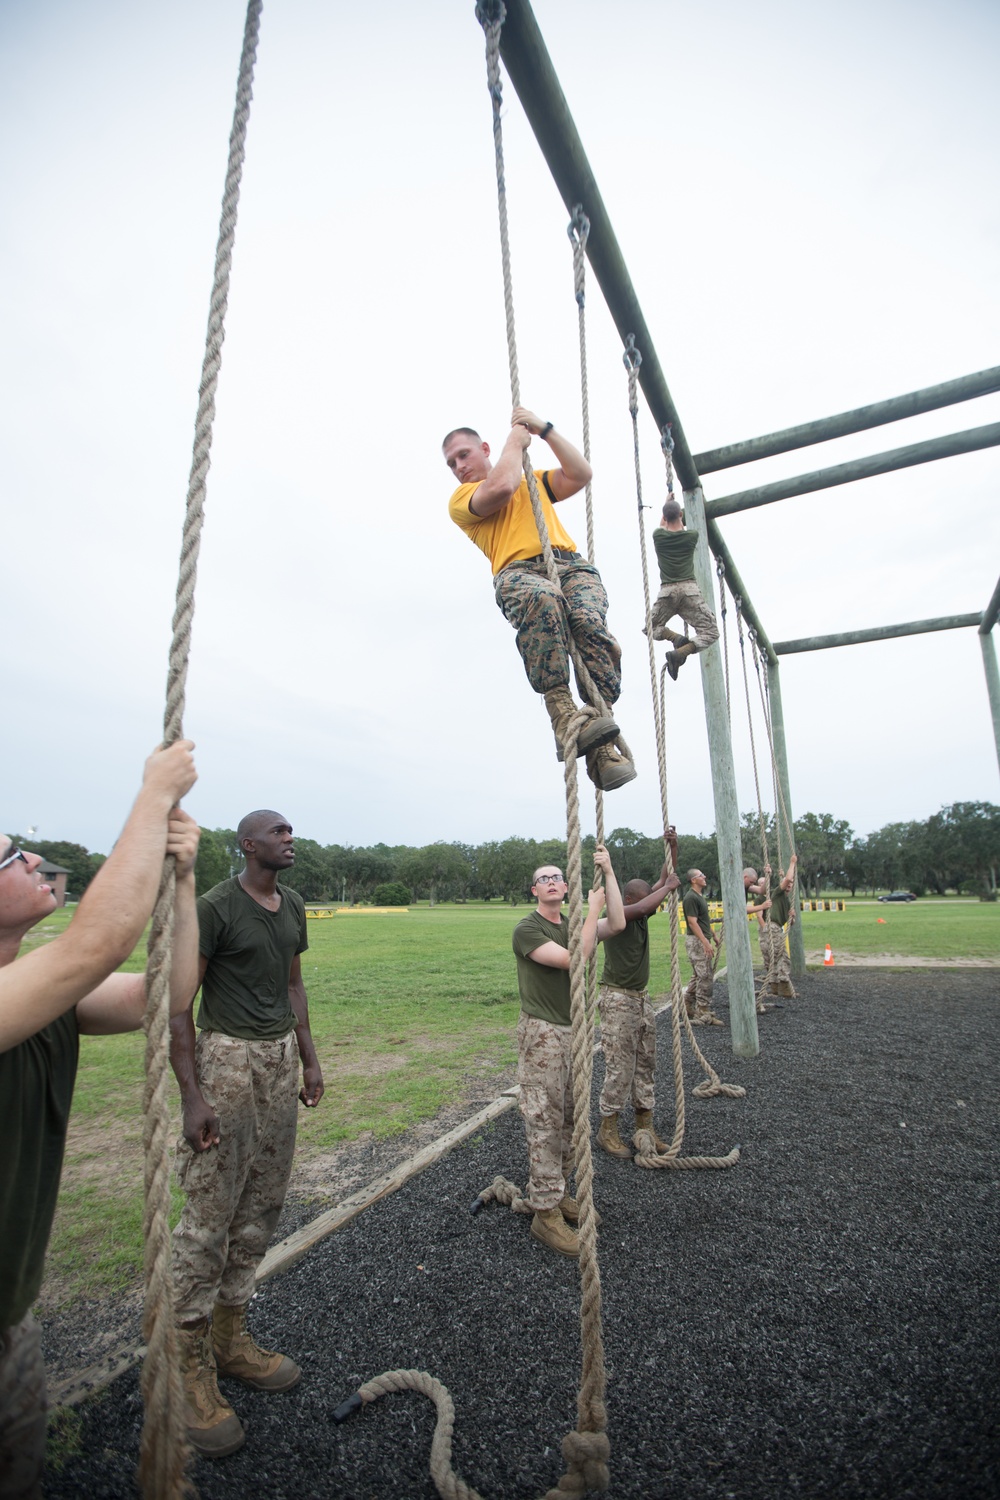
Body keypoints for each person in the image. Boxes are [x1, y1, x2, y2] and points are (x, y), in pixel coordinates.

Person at [0, 741, 199, 1500]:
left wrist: (179, 882)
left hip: (13, 1322)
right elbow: (91, 949)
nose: (33, 862)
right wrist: (152, 798)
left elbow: (167, 992)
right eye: (12, 858)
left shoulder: (36, 993)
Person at [169, 810, 325, 1459]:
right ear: (249, 844)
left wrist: (310, 1056)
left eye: (292, 831)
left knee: (262, 1205)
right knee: (210, 1212)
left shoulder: (290, 904)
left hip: (276, 1059)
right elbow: (179, 1001)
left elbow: (293, 985)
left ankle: (230, 1339)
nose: (290, 839)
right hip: (227, 1061)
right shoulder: (215, 906)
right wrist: (192, 1094)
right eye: (279, 832)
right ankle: (186, 1365)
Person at [444, 408, 635, 791]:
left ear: (484, 449)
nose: (458, 466)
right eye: (451, 463)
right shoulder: (463, 499)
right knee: (544, 600)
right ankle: (563, 714)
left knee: (589, 624)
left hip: (570, 566)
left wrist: (544, 430)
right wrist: (515, 440)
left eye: (464, 455)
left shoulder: (532, 482)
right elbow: (500, 488)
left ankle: (601, 743)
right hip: (519, 574)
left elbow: (580, 474)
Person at [512, 849, 624, 1256]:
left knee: (572, 1118)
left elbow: (619, 920)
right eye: (545, 878)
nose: (554, 881)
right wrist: (591, 911)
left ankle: (556, 1193)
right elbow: (576, 958)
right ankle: (544, 1214)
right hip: (543, 1035)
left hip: (574, 1031)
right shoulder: (528, 929)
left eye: (558, 876)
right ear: (535, 890)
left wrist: (608, 873)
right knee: (545, 1117)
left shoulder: (575, 923)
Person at [594, 830, 681, 1161]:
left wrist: (673, 847)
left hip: (640, 999)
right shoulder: (621, 915)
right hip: (618, 1001)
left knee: (646, 1062)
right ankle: (608, 1130)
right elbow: (652, 898)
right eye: (643, 900)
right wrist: (667, 888)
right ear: (629, 901)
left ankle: (645, 1127)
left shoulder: (642, 910)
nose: (650, 906)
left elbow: (661, 883)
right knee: (620, 1067)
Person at [649, 499, 720, 681]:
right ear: (681, 515)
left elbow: (662, 526)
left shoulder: (658, 536)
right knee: (711, 632)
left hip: (668, 592)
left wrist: (665, 503)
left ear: (664, 517)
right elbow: (675, 525)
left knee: (650, 627)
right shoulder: (692, 536)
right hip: (689, 591)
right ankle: (682, 652)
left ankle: (675, 638)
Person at [681, 869, 723, 1025]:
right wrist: (705, 942)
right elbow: (692, 922)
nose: (704, 877)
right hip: (697, 941)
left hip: (702, 939)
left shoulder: (699, 897)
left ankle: (687, 1004)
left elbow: (703, 920)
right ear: (693, 880)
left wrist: (714, 935)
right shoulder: (691, 898)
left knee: (698, 975)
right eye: (701, 876)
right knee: (705, 976)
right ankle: (703, 1011)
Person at [756, 854, 798, 999]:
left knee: (773, 957)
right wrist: (792, 863)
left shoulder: (786, 901)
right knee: (783, 957)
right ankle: (784, 984)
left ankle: (774, 986)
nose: (789, 886)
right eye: (788, 884)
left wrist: (792, 917)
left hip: (777, 927)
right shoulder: (777, 893)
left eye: (791, 885)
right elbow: (787, 879)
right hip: (772, 927)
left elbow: (789, 923)